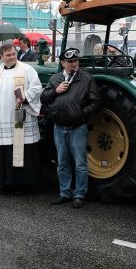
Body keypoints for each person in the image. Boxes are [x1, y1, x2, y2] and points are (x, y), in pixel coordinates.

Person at [0, 43, 43, 194]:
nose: (12, 57)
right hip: (0, 122)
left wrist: (25, 97)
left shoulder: (27, 70)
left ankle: (21, 185)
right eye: (8, 55)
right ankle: (3, 184)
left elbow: (36, 88)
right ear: (1, 57)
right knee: (3, 152)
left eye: (14, 54)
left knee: (21, 151)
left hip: (20, 120)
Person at [40, 48, 100, 208]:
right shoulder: (55, 79)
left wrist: (81, 115)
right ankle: (65, 193)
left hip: (77, 127)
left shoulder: (86, 79)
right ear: (62, 63)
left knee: (80, 163)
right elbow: (43, 98)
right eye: (70, 62)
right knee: (62, 162)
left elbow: (95, 101)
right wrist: (56, 90)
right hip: (59, 127)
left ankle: (79, 194)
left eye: (75, 61)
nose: (73, 64)